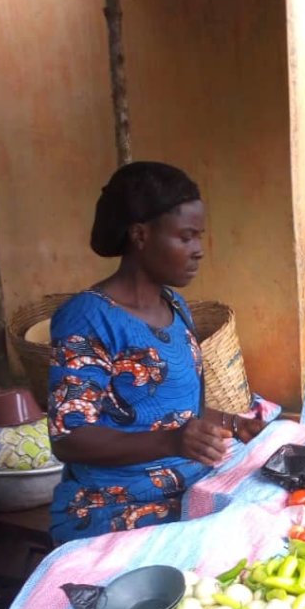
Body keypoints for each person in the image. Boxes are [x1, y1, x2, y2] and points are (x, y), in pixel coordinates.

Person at [47, 161, 265, 544]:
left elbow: (179, 413)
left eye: (199, 237)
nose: (198, 251)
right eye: (186, 237)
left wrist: (234, 424)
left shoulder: (175, 306)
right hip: (115, 510)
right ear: (140, 235)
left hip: (192, 489)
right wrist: (172, 442)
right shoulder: (88, 318)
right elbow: (68, 437)